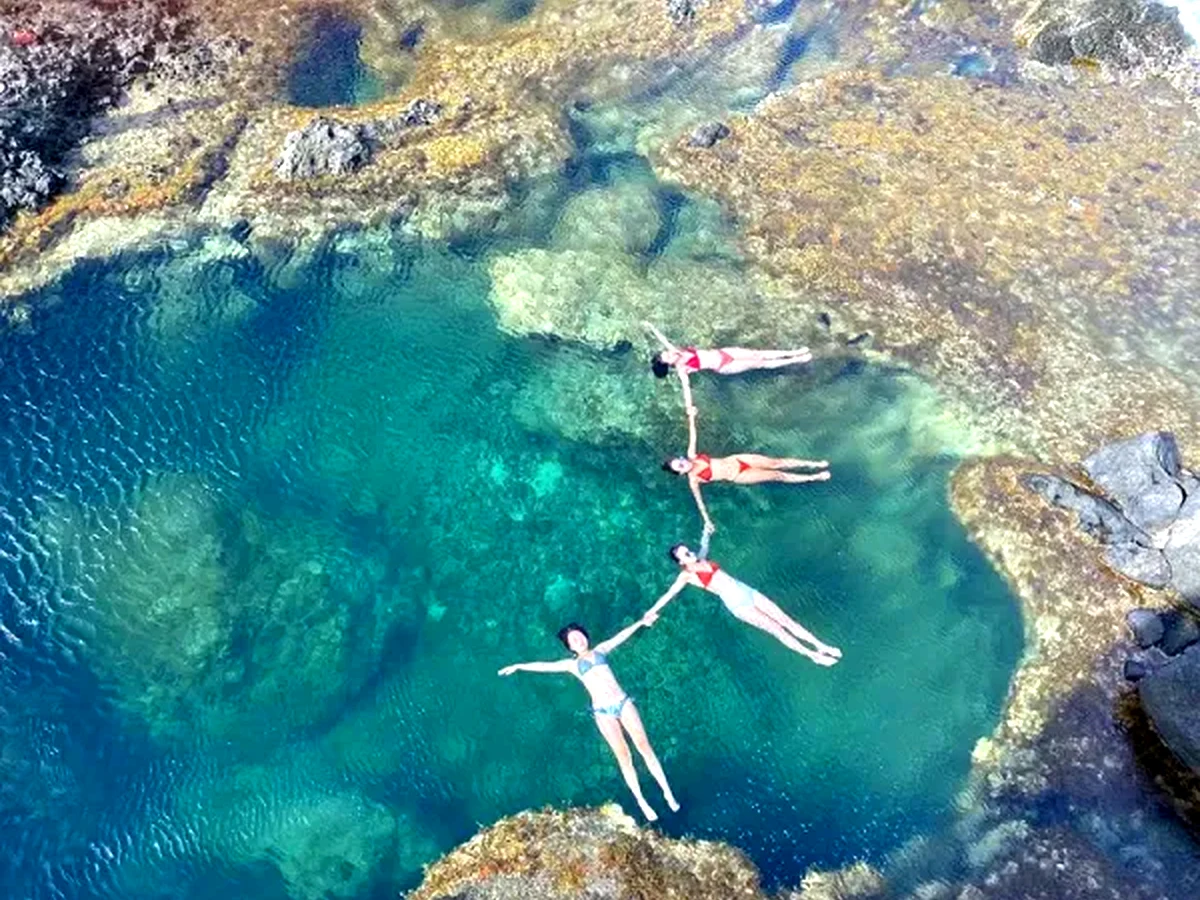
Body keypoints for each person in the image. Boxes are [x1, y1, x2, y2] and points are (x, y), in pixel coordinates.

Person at [498, 620, 679, 822]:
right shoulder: (572, 665)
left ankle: (667, 791)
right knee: (623, 756)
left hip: (623, 702)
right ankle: (641, 801)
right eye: (573, 640)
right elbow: (544, 666)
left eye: (579, 635)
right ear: (570, 647)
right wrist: (519, 666)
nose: (578, 640)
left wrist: (641, 623)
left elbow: (620, 636)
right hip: (603, 712)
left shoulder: (601, 649)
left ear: (586, 636)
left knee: (644, 746)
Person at [643, 544, 842, 666]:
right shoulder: (686, 575)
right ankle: (813, 655)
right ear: (680, 562)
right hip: (738, 604)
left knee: (786, 620)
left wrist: (706, 531)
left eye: (688, 550)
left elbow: (704, 546)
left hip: (748, 591)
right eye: (685, 555)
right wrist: (650, 612)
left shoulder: (702, 558)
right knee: (777, 629)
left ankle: (821, 645)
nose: (690, 553)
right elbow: (669, 594)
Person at [666, 394, 829, 534]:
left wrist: (692, 416)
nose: (683, 462)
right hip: (738, 475)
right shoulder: (694, 480)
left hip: (737, 459)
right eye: (680, 466)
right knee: (778, 475)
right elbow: (699, 501)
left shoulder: (692, 456)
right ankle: (815, 477)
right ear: (681, 473)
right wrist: (707, 521)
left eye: (680, 460)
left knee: (776, 462)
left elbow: (693, 434)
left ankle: (814, 464)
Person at [645, 322, 813, 378]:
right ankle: (795, 360)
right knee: (759, 363)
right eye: (667, 356)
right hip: (724, 367)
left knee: (758, 353)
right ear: (669, 363)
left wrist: (651, 327)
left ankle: (795, 352)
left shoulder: (677, 351)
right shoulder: (682, 369)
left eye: (666, 352)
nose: (669, 353)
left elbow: (663, 339)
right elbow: (686, 388)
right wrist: (690, 409)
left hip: (724, 353)